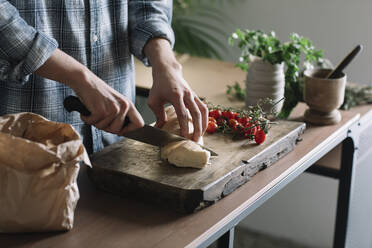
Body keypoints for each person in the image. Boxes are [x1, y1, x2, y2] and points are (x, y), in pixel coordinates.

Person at [0, 0, 208, 154]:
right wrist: (79, 77)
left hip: (116, 145)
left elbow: (148, 4)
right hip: (23, 156)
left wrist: (165, 61)